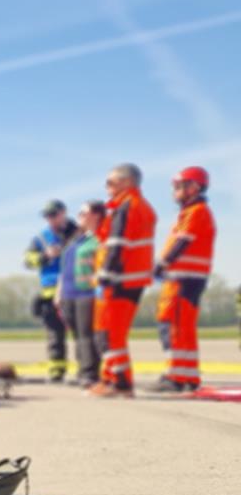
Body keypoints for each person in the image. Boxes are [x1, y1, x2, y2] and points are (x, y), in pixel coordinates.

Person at [89, 164, 157, 398]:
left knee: (110, 333)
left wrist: (105, 276)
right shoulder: (138, 206)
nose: (107, 187)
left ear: (126, 182)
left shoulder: (128, 206)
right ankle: (112, 379)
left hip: (121, 279)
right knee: (111, 333)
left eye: (110, 182)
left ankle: (121, 383)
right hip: (132, 278)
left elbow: (117, 245)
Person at [153, 166, 217, 393]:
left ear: (194, 188)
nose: (175, 191)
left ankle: (176, 377)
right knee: (183, 327)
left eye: (179, 186)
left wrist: (162, 264)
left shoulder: (196, 211)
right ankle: (188, 375)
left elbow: (182, 242)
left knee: (174, 326)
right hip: (186, 279)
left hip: (183, 279)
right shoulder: (194, 212)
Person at [24, 200, 75, 383]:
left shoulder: (78, 232)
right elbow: (28, 261)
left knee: (83, 334)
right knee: (55, 335)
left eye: (53, 215)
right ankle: (56, 371)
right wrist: (45, 256)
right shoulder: (41, 238)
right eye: (47, 216)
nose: (50, 219)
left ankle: (89, 371)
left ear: (63, 213)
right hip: (50, 293)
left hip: (76, 290)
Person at [61, 202, 105, 385]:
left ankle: (90, 373)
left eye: (83, 213)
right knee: (77, 335)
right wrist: (59, 293)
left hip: (87, 293)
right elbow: (64, 268)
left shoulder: (100, 239)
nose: (79, 216)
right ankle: (82, 370)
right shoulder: (77, 239)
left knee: (87, 334)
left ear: (96, 215)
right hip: (69, 293)